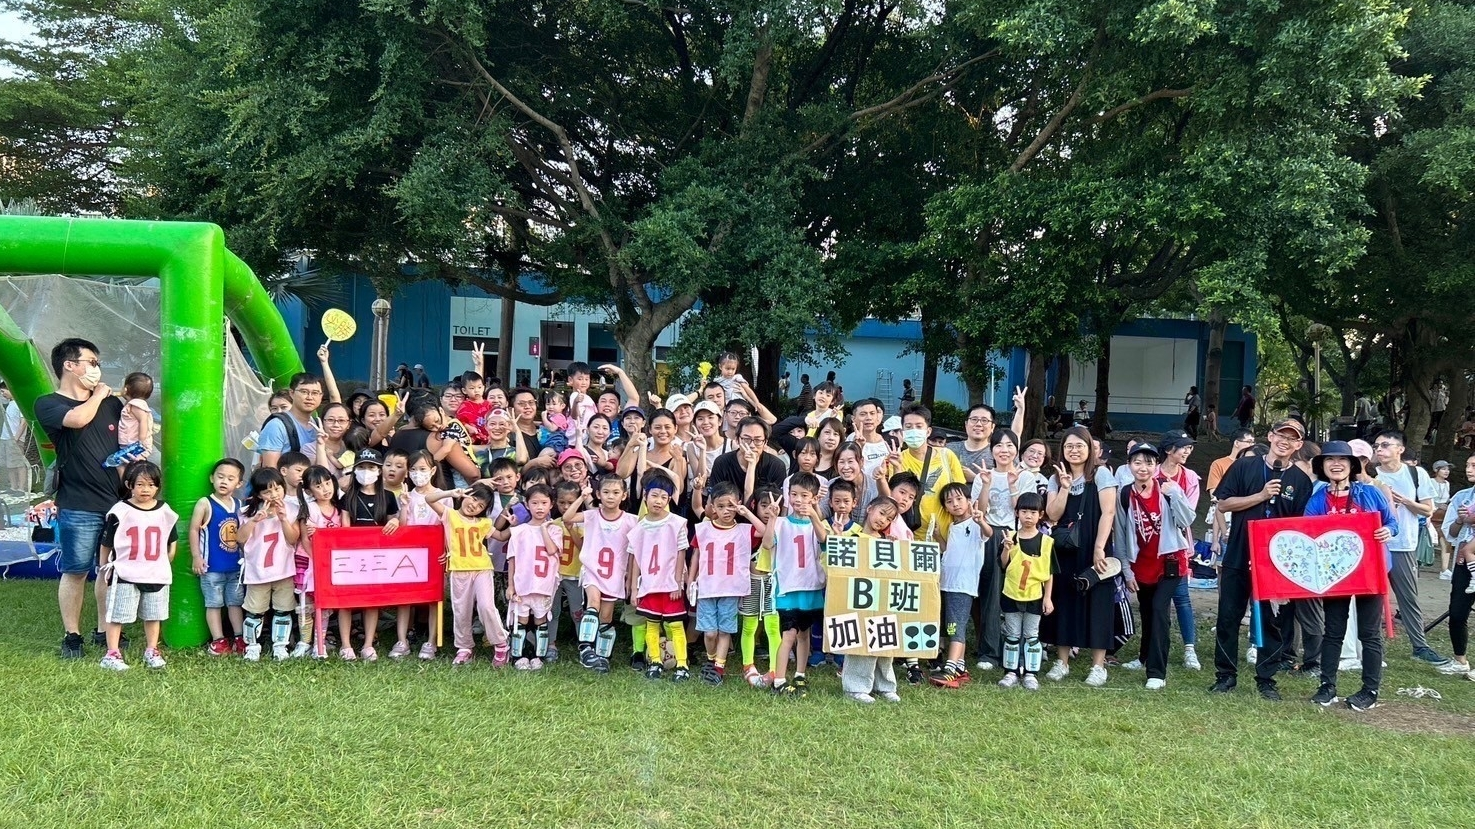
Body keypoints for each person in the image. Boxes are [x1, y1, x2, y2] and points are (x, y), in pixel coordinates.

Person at [35, 337, 126, 659]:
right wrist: (100, 394)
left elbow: (122, 447)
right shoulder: (48, 404)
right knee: (75, 570)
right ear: (69, 365)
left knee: (109, 569)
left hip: (115, 503)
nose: (96, 369)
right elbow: (77, 420)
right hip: (76, 502)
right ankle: (71, 636)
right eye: (91, 362)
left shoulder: (113, 405)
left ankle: (105, 630)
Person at [1210, 418, 1313, 700]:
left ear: (1298, 445)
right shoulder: (1245, 466)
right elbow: (1224, 503)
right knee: (1229, 616)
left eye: (1292, 438)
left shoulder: (1300, 481)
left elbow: (1298, 526)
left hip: (1275, 562)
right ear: (1270, 436)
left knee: (1270, 619)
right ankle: (1226, 675)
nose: (1285, 442)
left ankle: (1266, 678)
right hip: (1239, 552)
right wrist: (1260, 495)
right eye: (1281, 435)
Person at [1303, 441, 1398, 710]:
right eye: (1329, 459)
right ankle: (1327, 686)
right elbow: (1308, 532)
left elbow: (1392, 522)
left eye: (1342, 460)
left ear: (1352, 465)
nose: (1336, 464)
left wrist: (1387, 532)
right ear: (1322, 466)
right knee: (1333, 631)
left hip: (1370, 571)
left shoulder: (1370, 493)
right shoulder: (1317, 499)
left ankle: (1370, 690)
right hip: (1335, 574)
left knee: (1369, 633)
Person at [1041, 426, 1121, 687]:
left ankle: (1098, 666)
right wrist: (1064, 488)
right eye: (1068, 446)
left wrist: (1099, 547)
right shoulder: (1056, 478)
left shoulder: (1101, 474)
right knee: (1063, 600)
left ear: (1089, 448)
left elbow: (1108, 513)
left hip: (1094, 547)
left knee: (1098, 603)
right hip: (1064, 549)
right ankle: (1062, 661)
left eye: (1079, 446)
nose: (1074, 451)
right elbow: (1053, 515)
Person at [1114, 443, 1194, 690]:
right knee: (1148, 610)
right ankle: (1144, 656)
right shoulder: (1125, 494)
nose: (1143, 467)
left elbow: (1187, 520)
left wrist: (1176, 495)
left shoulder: (1168, 490)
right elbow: (1120, 533)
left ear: (1156, 465)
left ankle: (1157, 672)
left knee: (1160, 610)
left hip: (1170, 562)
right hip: (1142, 564)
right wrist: (1127, 571)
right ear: (1129, 466)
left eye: (1149, 463)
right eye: (1137, 462)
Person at [1371, 431, 1449, 665]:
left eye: (1385, 445)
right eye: (1376, 445)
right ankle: (1369, 646)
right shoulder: (1369, 475)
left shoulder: (1416, 474)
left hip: (1403, 545)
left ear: (1400, 449)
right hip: (1373, 545)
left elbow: (1428, 510)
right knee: (1370, 599)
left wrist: (1404, 501)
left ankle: (1420, 646)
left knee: (1408, 598)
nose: (1379, 449)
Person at [969, 429, 1044, 671]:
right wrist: (986, 485)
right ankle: (990, 652)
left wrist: (1013, 486)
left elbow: (1022, 511)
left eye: (1010, 445)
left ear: (1016, 450)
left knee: (1020, 592)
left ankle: (1023, 649)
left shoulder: (1025, 477)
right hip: (989, 534)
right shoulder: (984, 475)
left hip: (1017, 536)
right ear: (991, 449)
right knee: (990, 594)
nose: (1004, 450)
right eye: (999, 445)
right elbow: (979, 510)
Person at [96, 461, 178, 671]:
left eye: (151, 485)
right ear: (129, 485)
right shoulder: (120, 511)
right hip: (126, 571)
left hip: (155, 572)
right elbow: (106, 542)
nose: (145, 489)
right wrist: (104, 566)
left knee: (154, 614)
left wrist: (167, 559)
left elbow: (172, 538)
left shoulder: (165, 510)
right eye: (140, 484)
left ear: (158, 487)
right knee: (117, 614)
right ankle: (112, 653)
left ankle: (152, 649)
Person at [765, 472, 829, 696]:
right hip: (788, 588)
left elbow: (824, 540)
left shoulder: (817, 524)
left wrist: (814, 516)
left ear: (814, 498)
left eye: (804, 495)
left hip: (811, 587)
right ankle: (779, 680)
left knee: (804, 634)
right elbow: (766, 543)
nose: (798, 499)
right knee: (788, 634)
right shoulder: (782, 523)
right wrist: (772, 518)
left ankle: (800, 674)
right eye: (794, 494)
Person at [569, 474, 639, 672]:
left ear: (624, 495)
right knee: (593, 603)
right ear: (598, 494)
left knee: (606, 617)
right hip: (593, 570)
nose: (610, 496)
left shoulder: (631, 521)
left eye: (616, 492)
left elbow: (637, 549)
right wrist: (582, 498)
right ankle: (585, 649)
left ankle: (602, 657)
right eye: (606, 492)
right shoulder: (592, 515)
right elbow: (567, 518)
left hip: (615, 574)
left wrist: (630, 579)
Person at [336, 448, 401, 661]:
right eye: (362, 467)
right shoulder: (348, 497)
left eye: (371, 467)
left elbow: (395, 520)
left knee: (372, 600)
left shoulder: (389, 497)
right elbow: (345, 526)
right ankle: (346, 644)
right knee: (346, 600)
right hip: (352, 556)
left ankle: (368, 644)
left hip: (377, 557)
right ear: (354, 471)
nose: (367, 472)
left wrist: (395, 520)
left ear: (379, 471)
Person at [839, 496, 904, 703]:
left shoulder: (886, 542)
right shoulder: (852, 534)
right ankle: (855, 687)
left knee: (884, 639)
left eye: (889, 518)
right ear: (869, 509)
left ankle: (885, 685)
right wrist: (838, 536)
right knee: (859, 641)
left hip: (882, 598)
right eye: (881, 513)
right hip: (857, 598)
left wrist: (894, 549)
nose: (883, 520)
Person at [493, 483, 564, 671]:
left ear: (551, 504)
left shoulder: (555, 529)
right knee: (521, 620)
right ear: (526, 504)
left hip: (544, 584)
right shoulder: (518, 531)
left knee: (541, 620)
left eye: (544, 503)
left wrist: (543, 530)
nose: (539, 507)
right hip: (523, 583)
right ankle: (519, 655)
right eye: (534, 503)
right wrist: (510, 585)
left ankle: (538, 656)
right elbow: (513, 559)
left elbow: (551, 550)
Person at [628, 473, 691, 681]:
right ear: (646, 496)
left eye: (664, 497)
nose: (659, 501)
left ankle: (682, 664)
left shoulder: (676, 523)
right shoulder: (640, 526)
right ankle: (655, 660)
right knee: (652, 623)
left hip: (669, 584)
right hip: (649, 584)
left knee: (675, 625)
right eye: (655, 495)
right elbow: (636, 558)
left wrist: (677, 583)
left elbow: (681, 553)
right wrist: (634, 589)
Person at [691, 481, 754, 685]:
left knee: (725, 630)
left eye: (731, 505)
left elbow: (767, 534)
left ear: (739, 503)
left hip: (730, 587)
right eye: (720, 506)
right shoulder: (705, 528)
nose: (726, 511)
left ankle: (719, 666)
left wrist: (746, 513)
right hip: (707, 586)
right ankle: (711, 659)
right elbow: (696, 554)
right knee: (710, 632)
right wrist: (690, 579)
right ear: (712, 507)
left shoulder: (745, 530)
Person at [929, 483, 992, 688]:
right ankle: (960, 667)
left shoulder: (975, 523)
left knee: (956, 626)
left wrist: (981, 518)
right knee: (952, 625)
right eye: (949, 501)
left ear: (968, 501)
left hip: (962, 586)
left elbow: (988, 533)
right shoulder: (953, 527)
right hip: (948, 583)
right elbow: (948, 551)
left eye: (959, 499)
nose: (955, 504)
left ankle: (950, 669)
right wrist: (938, 536)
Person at [238, 466, 302, 662]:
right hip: (258, 571)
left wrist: (283, 520)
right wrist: (254, 521)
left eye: (277, 489)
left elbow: (293, 539)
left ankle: (280, 645)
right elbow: (239, 539)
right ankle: (252, 646)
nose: (274, 494)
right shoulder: (247, 511)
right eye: (267, 491)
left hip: (283, 570)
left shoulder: (293, 509)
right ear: (258, 494)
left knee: (284, 609)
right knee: (255, 611)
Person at [443, 483, 510, 667]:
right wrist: (452, 491)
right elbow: (429, 499)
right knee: (461, 610)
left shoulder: (483, 523)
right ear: (465, 495)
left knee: (487, 606)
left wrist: (515, 524)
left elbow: (502, 536)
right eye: (473, 498)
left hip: (482, 568)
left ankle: (501, 643)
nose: (474, 505)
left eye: (480, 505)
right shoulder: (450, 514)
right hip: (459, 569)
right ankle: (464, 647)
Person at [189, 458, 247, 656]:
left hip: (235, 567)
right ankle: (218, 640)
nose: (224, 481)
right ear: (212, 478)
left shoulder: (240, 505)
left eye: (230, 478)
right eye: (220, 476)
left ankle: (239, 638)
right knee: (213, 603)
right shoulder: (205, 503)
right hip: (211, 567)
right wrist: (196, 556)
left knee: (235, 602)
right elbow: (194, 529)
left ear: (238, 483)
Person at [997, 492, 1054, 690]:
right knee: (1012, 635)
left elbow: (1049, 573)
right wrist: (1006, 549)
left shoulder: (1047, 542)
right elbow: (1003, 565)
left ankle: (1031, 673)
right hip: (1011, 593)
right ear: (1016, 513)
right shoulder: (1009, 537)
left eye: (1032, 512)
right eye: (1024, 511)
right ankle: (1010, 672)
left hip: (1035, 596)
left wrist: (1048, 598)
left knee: (1032, 636)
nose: (1028, 516)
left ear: (1041, 515)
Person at [894, 404, 965, 534]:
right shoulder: (896, 459)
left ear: (928, 431)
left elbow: (962, 496)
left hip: (945, 537)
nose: (913, 430)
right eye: (908, 427)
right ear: (902, 431)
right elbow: (892, 497)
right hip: (908, 536)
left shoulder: (947, 456)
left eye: (919, 426)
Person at [739, 488, 784, 688]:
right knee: (749, 626)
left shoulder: (782, 526)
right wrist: (747, 515)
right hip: (751, 580)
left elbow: (770, 535)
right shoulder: (746, 528)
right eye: (764, 506)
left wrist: (747, 513)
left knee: (773, 627)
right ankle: (748, 664)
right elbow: (763, 532)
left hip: (773, 582)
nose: (768, 510)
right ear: (754, 505)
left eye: (773, 506)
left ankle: (775, 668)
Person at [1439, 456, 1475, 680]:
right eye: (1468, 464)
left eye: (1474, 466)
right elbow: (1450, 534)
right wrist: (1462, 521)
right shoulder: (1462, 497)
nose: (1468, 469)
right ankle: (1460, 660)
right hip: (1464, 562)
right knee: (1458, 611)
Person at [257, 373, 323, 470]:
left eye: (315, 393)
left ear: (321, 396)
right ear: (291, 393)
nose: (310, 397)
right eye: (304, 392)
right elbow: (270, 472)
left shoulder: (318, 426)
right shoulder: (277, 425)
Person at [708, 417, 786, 498]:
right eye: (746, 439)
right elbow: (715, 499)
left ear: (765, 442)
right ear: (737, 440)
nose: (752, 445)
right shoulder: (722, 462)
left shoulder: (776, 466)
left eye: (758, 440)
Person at [0, 381, 27, 491]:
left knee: (18, 463)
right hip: (5, 438)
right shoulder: (10, 404)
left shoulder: (19, 403)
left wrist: (16, 437)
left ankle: (21, 488)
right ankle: (13, 487)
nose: (2, 394)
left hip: (15, 439)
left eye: (3, 391)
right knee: (9, 464)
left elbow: (24, 422)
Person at [1432, 460, 1453, 580]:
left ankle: (1444, 569)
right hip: (1431, 515)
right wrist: (1438, 504)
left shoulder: (1447, 484)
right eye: (1443, 469)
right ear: (1436, 470)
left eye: (1448, 469)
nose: (1446, 471)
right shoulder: (1430, 482)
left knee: (1446, 540)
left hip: (1443, 516)